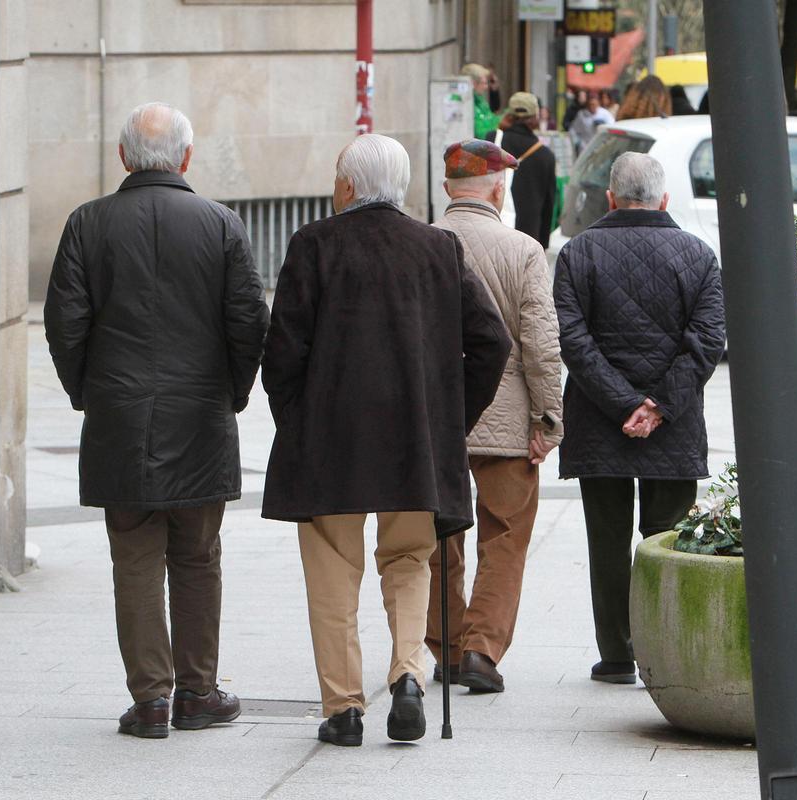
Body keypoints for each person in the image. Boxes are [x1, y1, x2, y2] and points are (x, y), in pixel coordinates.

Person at [261, 134, 511, 746]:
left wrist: (297, 417)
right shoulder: (437, 248)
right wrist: (449, 417)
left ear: (347, 185)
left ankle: (344, 708)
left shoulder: (314, 245)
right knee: (408, 561)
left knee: (332, 572)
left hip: (330, 445)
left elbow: (282, 352)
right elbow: (492, 343)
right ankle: (407, 674)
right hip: (413, 443)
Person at [44, 102, 270, 739]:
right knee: (198, 556)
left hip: (120, 415)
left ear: (123, 157)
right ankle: (198, 693)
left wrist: (89, 394)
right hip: (200, 414)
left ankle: (150, 701)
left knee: (135, 558)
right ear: (187, 158)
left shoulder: (87, 223)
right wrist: (234, 393)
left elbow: (64, 324)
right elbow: (249, 321)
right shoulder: (220, 223)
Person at [553, 152, 726, 684]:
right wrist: (656, 407)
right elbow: (706, 343)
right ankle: (664, 650)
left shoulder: (577, 254)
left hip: (598, 422)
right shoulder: (698, 255)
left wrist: (622, 403)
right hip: (672, 427)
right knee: (666, 539)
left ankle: (616, 655)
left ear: (610, 197)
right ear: (664, 199)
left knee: (606, 541)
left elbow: (574, 343)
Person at [426, 139, 564, 693]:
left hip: (437, 419)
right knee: (505, 535)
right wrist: (547, 418)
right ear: (500, 189)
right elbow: (541, 343)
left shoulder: (425, 245)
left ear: (446, 189)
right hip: (507, 420)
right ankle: (483, 650)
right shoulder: (524, 250)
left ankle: (447, 648)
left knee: (440, 535)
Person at [498, 92, 559, 249]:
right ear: (535, 117)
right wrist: (543, 245)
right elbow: (548, 206)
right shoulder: (545, 156)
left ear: (509, 114)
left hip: (494, 233)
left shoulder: (492, 140)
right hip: (528, 239)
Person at [464, 63, 503, 140]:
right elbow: (481, 134)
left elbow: (492, 118)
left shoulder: (481, 101)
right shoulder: (467, 105)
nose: (486, 87)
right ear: (473, 83)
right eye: (484, 83)